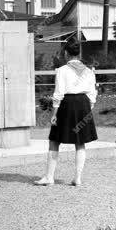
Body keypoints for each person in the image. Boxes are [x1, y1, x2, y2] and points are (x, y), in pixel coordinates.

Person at [35, 40, 97, 186]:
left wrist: (54, 113)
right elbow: (93, 93)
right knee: (80, 142)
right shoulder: (88, 70)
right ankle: (78, 178)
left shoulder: (62, 70)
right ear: (79, 54)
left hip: (67, 104)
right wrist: (89, 108)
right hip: (84, 103)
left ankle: (49, 177)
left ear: (66, 54)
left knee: (55, 139)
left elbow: (58, 93)